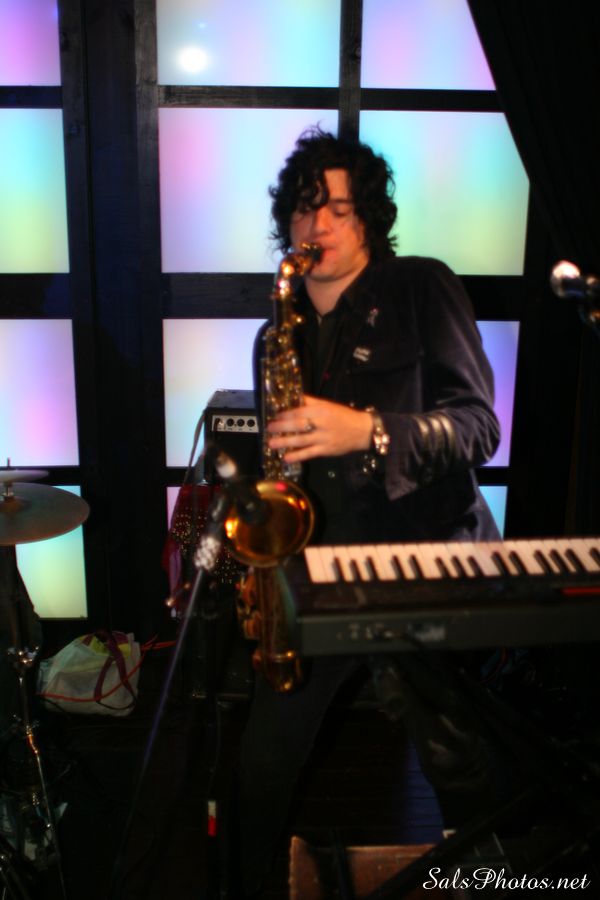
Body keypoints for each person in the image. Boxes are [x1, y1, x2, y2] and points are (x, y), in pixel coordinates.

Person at [232, 126, 503, 898]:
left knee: (461, 766)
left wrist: (369, 432)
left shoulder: (421, 286)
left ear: (369, 221)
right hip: (316, 576)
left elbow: (479, 428)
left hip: (421, 566)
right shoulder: (275, 335)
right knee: (261, 767)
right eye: (304, 208)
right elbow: (283, 473)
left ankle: (501, 882)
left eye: (339, 210)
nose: (317, 225)